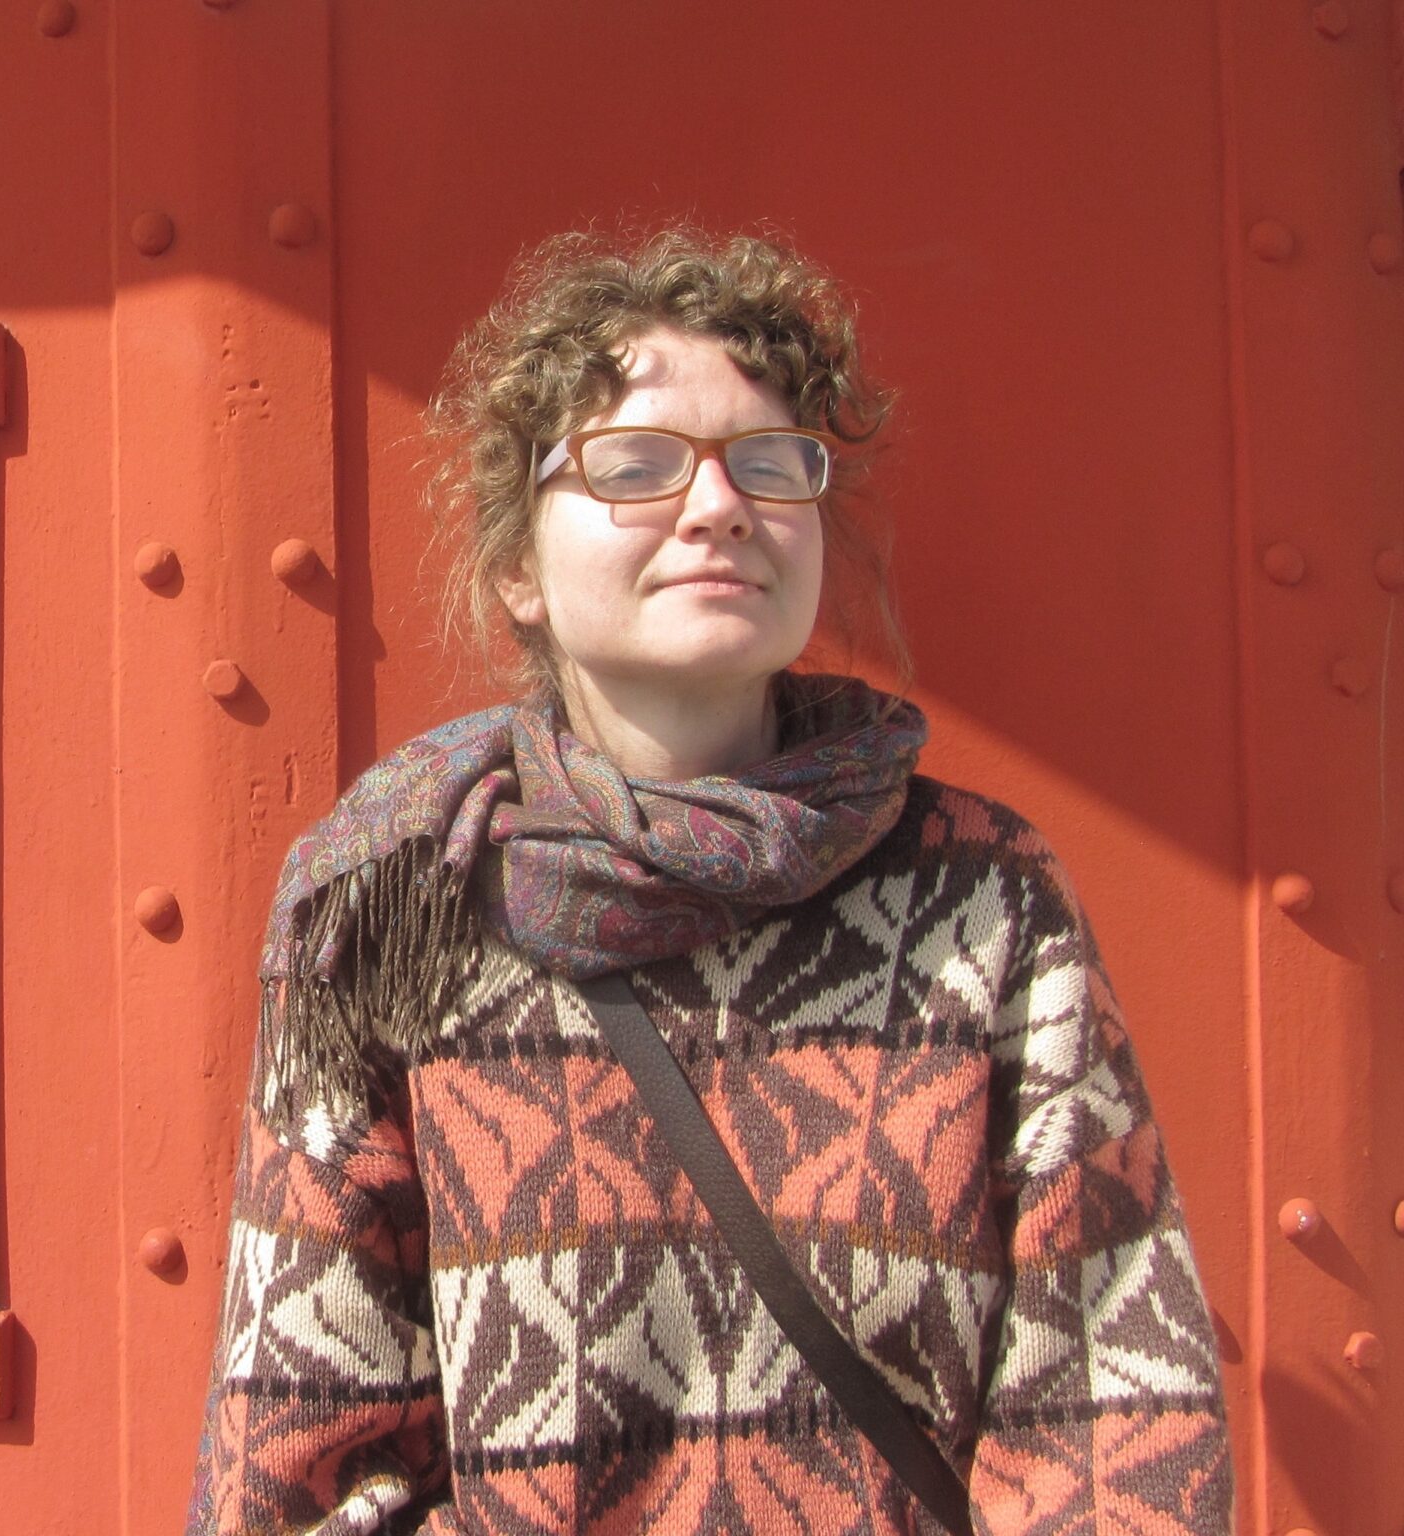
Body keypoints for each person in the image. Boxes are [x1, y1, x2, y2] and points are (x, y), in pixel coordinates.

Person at [181, 224, 1233, 1535]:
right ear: (517, 570)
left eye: (770, 464)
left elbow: (1114, 1418)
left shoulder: (986, 898)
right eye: (635, 465)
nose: (720, 504)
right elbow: (303, 1450)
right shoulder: (398, 906)